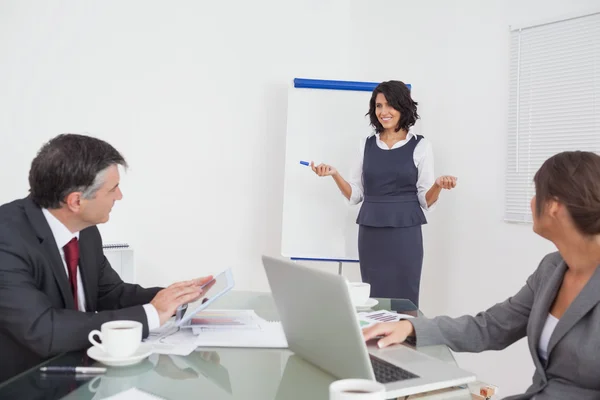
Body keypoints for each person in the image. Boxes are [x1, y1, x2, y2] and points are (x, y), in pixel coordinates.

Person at [363, 151, 600, 400]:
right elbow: (492, 327)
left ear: (553, 206)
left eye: (536, 194)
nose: (532, 202)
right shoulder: (552, 269)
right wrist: (411, 326)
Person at [0, 134, 213, 382]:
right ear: (76, 201)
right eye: (113, 189)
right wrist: (152, 314)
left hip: (83, 375)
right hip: (25, 384)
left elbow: (111, 293)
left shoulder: (86, 230)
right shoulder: (7, 239)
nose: (119, 196)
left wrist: (176, 299)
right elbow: (43, 330)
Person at [311, 80, 457, 306]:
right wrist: (334, 174)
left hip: (405, 232)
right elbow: (355, 195)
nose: (383, 112)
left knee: (405, 297)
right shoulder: (365, 145)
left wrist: (437, 185)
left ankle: (404, 339)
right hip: (371, 232)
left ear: (402, 107)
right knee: (373, 297)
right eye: (378, 106)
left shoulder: (421, 146)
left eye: (389, 105)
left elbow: (425, 201)